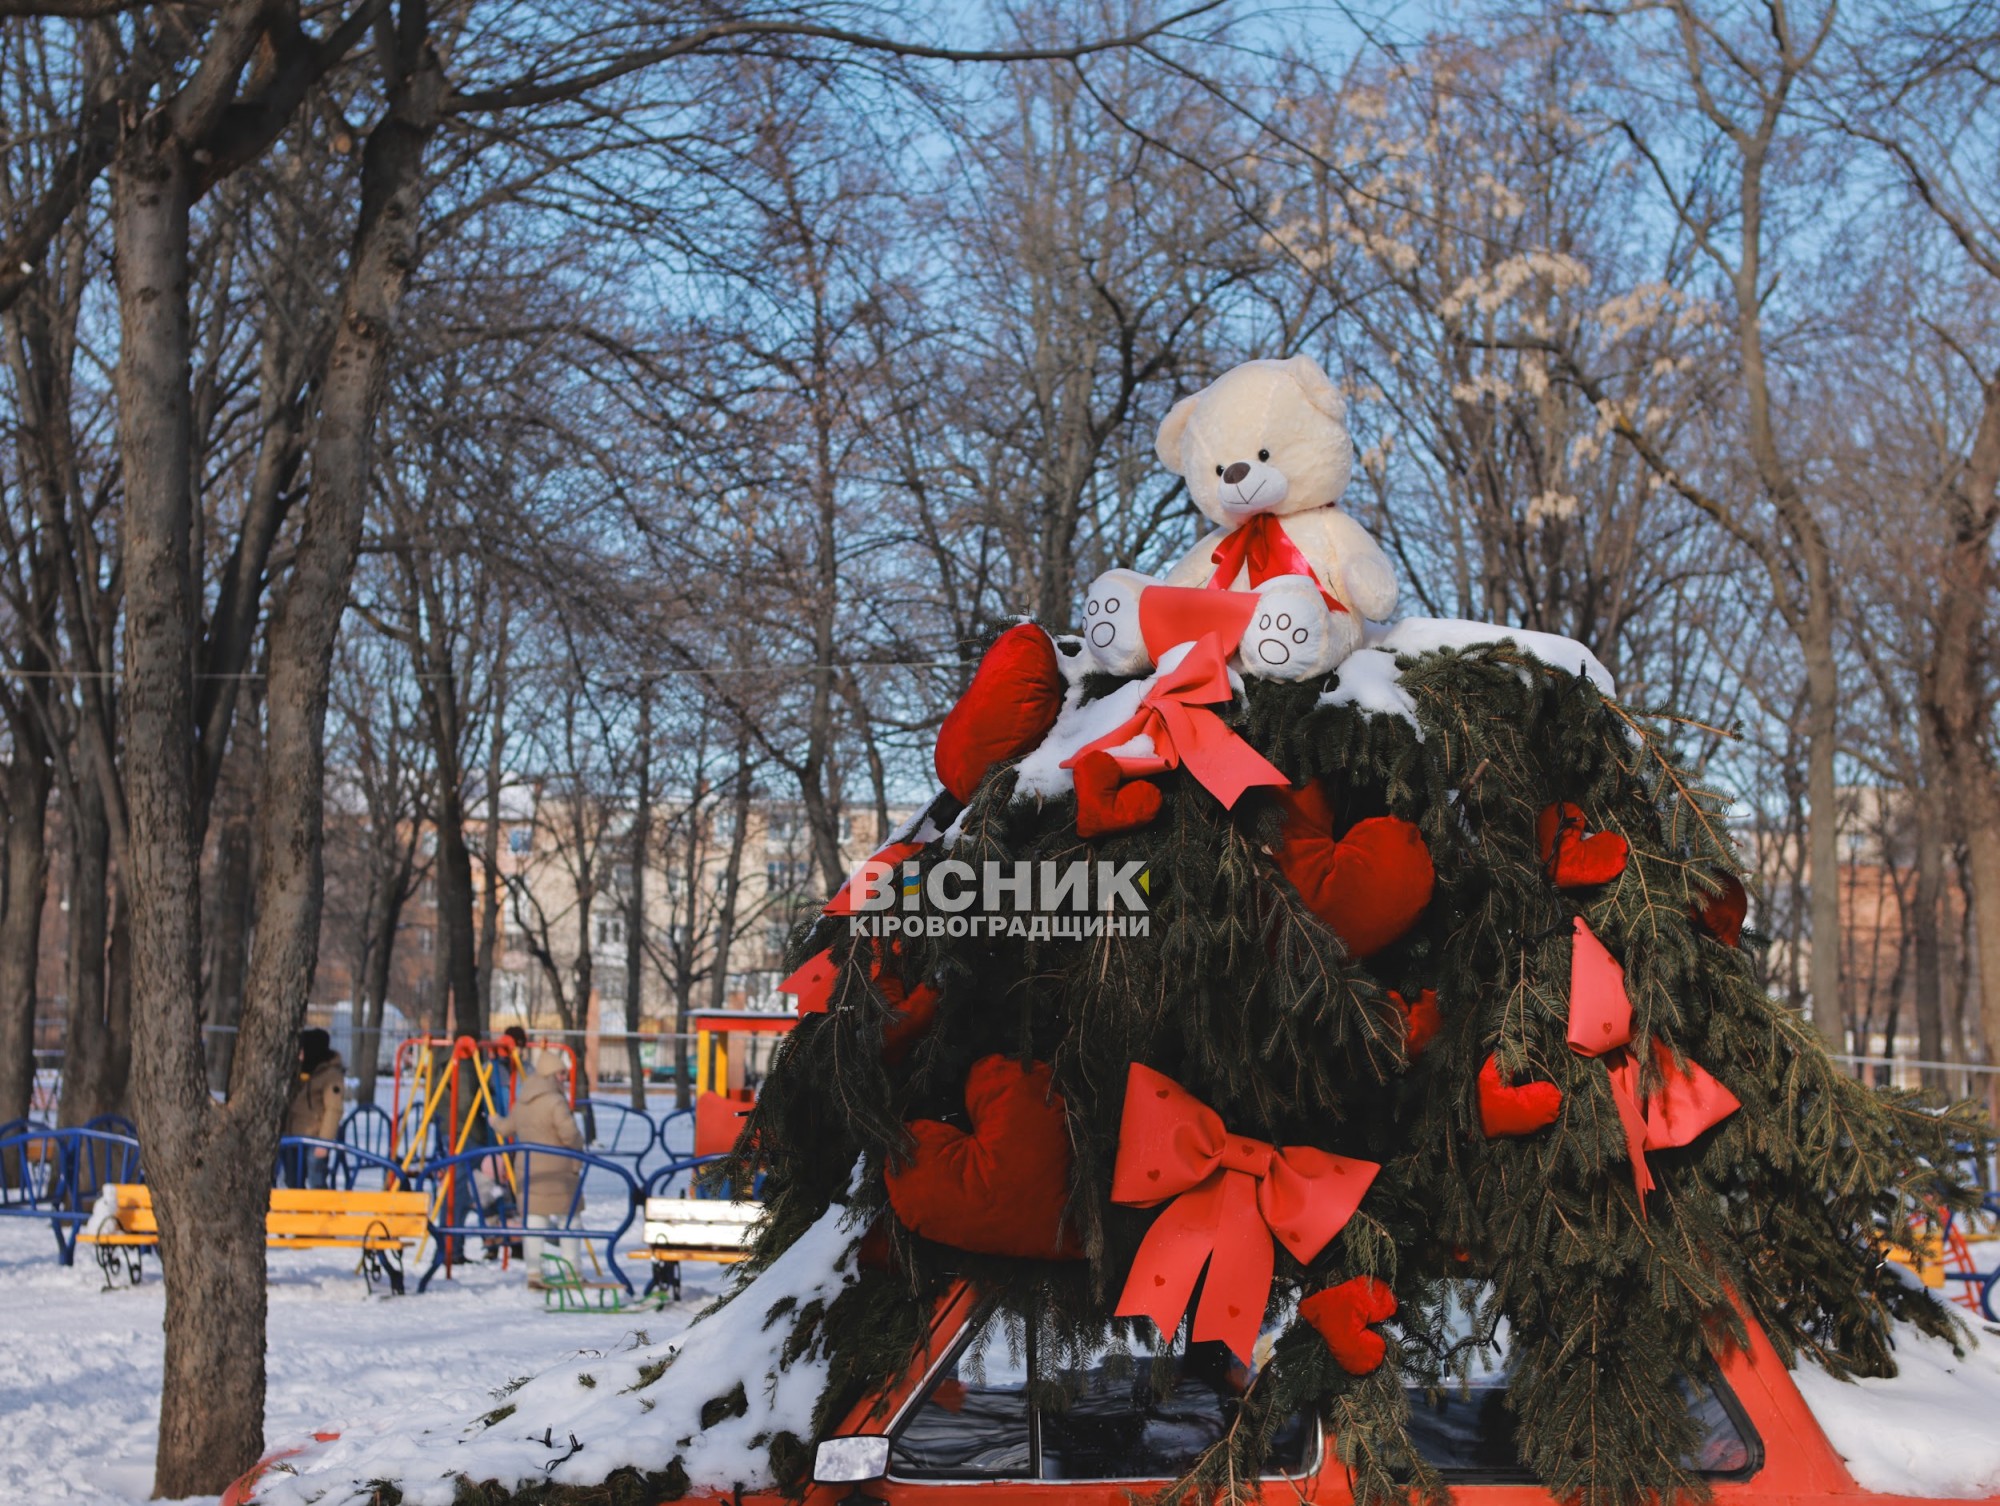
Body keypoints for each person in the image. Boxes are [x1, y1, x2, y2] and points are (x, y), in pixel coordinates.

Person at [491, 1050, 585, 1286]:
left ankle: (534, 1272)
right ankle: (572, 1272)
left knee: (534, 1220)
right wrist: (579, 1150)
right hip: (559, 1172)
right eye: (561, 1073)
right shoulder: (555, 1102)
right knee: (569, 1219)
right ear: (551, 1074)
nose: (564, 1078)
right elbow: (569, 1134)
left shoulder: (523, 1101)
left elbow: (506, 1128)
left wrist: (493, 1121)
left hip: (529, 1170)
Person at [283, 1028, 346, 1189]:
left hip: (315, 1138)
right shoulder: (301, 1070)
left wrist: (324, 1143)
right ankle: (297, 1213)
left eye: (303, 1050)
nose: (300, 1055)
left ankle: (320, 1213)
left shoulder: (330, 1076)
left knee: (316, 1180)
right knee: (292, 1181)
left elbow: (333, 1110)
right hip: (293, 1135)